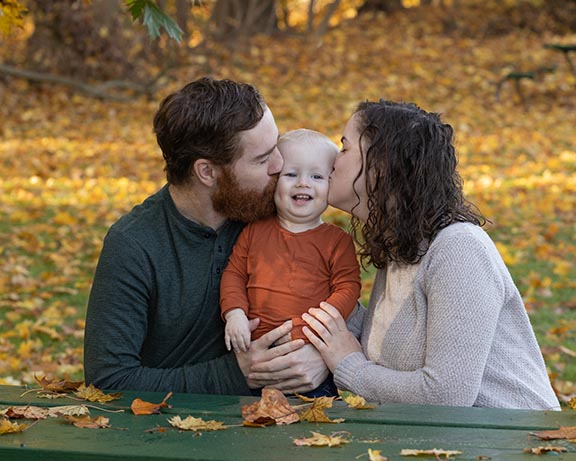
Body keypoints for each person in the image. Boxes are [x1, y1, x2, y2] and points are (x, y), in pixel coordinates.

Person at [301, 100, 561, 410]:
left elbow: (446, 395)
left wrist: (348, 367)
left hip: (512, 444)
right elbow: (372, 344)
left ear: (380, 166)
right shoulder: (400, 249)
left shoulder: (458, 249)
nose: (332, 161)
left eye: (344, 149)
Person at [83, 77, 331, 395]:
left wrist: (325, 355)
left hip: (283, 425)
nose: (280, 165)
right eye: (261, 159)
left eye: (276, 147)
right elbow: (109, 381)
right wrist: (237, 374)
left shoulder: (276, 210)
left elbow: (338, 292)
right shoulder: (134, 245)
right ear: (207, 172)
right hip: (170, 433)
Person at [220, 130, 362, 396]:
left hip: (308, 356)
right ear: (274, 181)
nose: (303, 183)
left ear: (330, 184)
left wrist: (308, 328)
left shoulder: (336, 241)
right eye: (291, 174)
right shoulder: (253, 231)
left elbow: (347, 290)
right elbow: (234, 274)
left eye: (317, 176)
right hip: (255, 354)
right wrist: (234, 313)